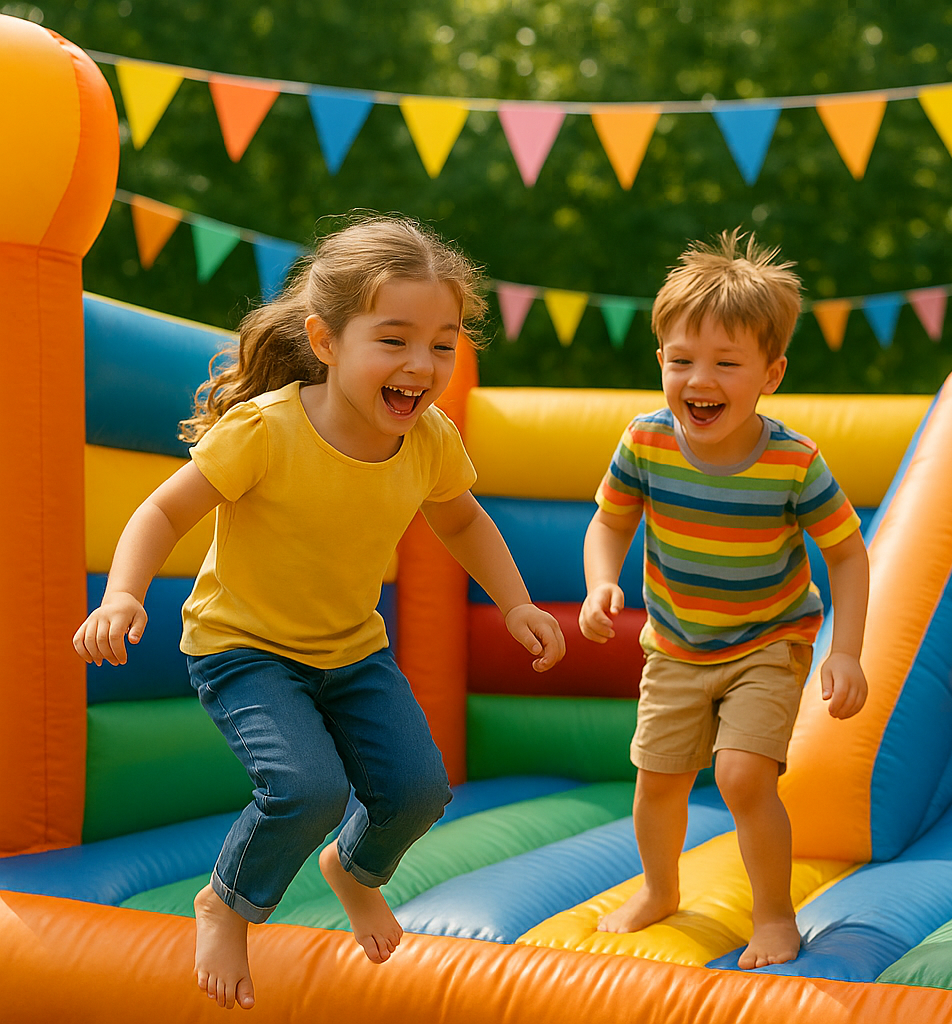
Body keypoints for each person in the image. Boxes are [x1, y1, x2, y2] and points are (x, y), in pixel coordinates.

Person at [72, 215, 565, 1011]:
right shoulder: (267, 430)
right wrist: (123, 595)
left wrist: (516, 603)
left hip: (351, 652)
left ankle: (353, 868)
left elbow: (462, 520)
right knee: (308, 788)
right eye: (395, 340)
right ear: (327, 342)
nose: (422, 366)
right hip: (244, 648)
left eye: (443, 345)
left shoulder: (429, 439)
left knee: (417, 791)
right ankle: (225, 902)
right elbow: (162, 512)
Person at [580, 228, 871, 969]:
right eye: (681, 361)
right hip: (675, 643)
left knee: (743, 775)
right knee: (657, 783)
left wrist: (845, 652)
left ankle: (773, 916)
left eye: (725, 364)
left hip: (769, 639)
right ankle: (658, 887)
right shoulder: (645, 442)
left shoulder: (792, 460)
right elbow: (609, 523)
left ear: (770, 374)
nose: (698, 380)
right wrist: (600, 581)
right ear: (661, 364)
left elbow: (846, 552)